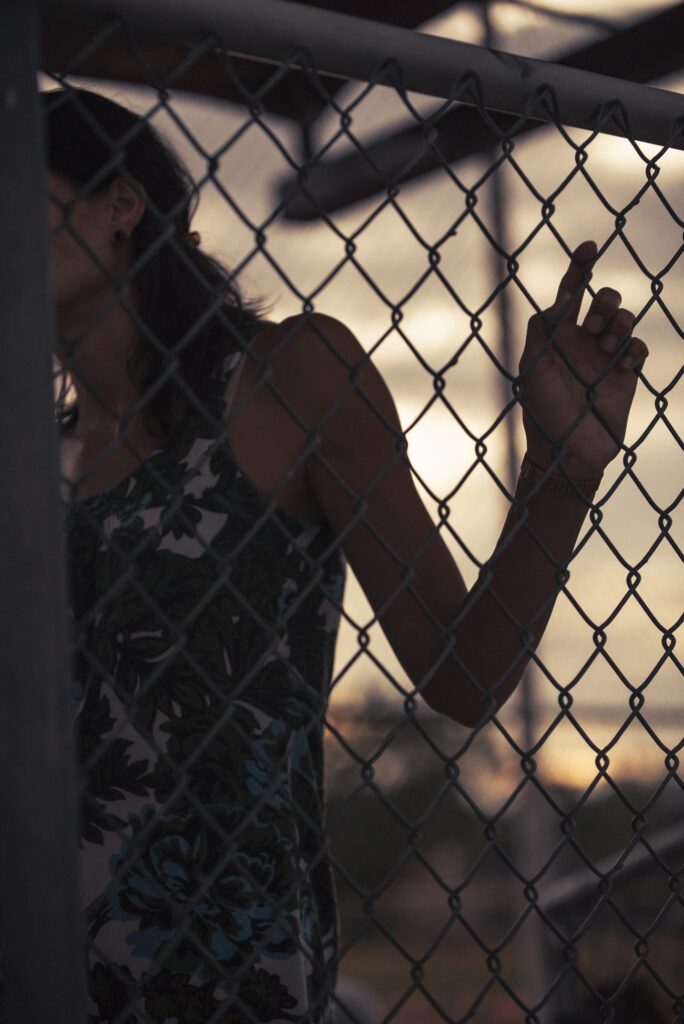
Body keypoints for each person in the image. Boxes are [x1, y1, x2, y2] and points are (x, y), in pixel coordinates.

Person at [42, 86, 647, 1023]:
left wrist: (560, 472)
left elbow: (462, 673)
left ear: (121, 204)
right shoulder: (32, 457)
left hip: (224, 976)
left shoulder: (287, 376)